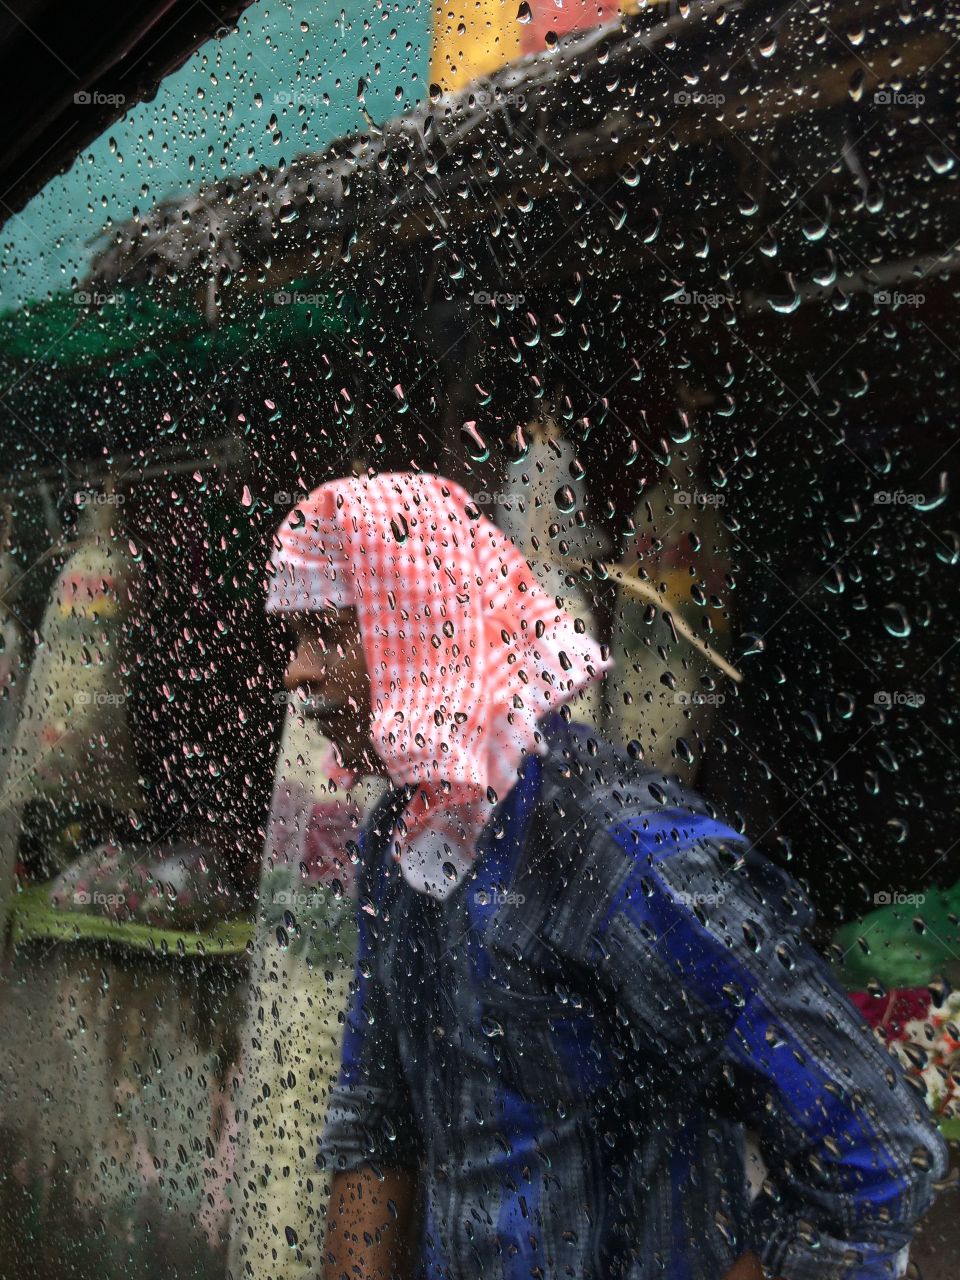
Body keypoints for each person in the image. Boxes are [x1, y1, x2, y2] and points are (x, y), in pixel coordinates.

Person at [265, 471, 947, 1280]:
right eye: (295, 641)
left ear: (418, 627)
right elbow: (376, 1121)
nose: (296, 676)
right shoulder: (398, 846)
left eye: (329, 636)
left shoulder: (622, 853)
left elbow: (874, 1157)